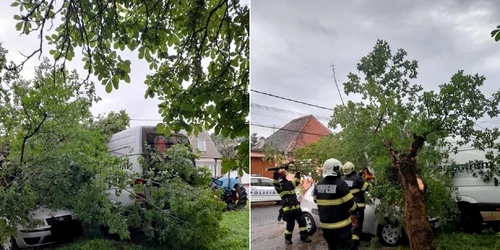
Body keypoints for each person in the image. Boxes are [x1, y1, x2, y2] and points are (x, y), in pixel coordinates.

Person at [313, 158, 357, 250]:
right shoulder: (341, 184)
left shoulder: (318, 185)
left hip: (326, 228)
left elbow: (316, 200)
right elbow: (351, 205)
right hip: (341, 228)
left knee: (332, 247)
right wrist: (355, 210)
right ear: (336, 170)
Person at [273, 165, 312, 244]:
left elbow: (296, 180)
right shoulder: (280, 186)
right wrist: (275, 175)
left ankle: (304, 237)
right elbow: (275, 182)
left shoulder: (290, 183)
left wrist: (297, 172)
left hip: (296, 208)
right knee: (290, 225)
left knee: (302, 222)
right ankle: (287, 238)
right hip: (288, 209)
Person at [342, 162, 369, 250]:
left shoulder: (342, 180)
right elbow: (366, 188)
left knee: (349, 226)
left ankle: (348, 244)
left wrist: (359, 174)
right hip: (357, 207)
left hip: (346, 207)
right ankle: (353, 246)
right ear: (353, 168)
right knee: (356, 227)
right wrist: (365, 177)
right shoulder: (357, 179)